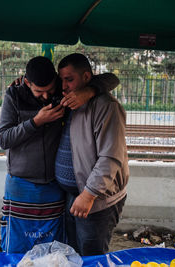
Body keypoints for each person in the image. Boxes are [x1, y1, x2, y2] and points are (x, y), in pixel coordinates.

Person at [0, 56, 119, 253]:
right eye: (39, 92)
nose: (46, 97)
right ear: (27, 82)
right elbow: (3, 139)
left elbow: (111, 79)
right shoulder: (14, 95)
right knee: (18, 245)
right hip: (22, 184)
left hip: (54, 188)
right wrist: (36, 122)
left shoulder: (64, 93)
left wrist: (89, 90)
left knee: (53, 247)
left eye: (50, 90)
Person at [55, 53, 129, 256]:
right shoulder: (71, 101)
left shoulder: (107, 107)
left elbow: (111, 158)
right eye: (61, 80)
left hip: (95, 200)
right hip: (73, 195)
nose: (63, 86)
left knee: (91, 256)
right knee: (74, 253)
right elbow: (110, 79)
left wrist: (88, 194)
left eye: (69, 79)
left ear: (87, 77)